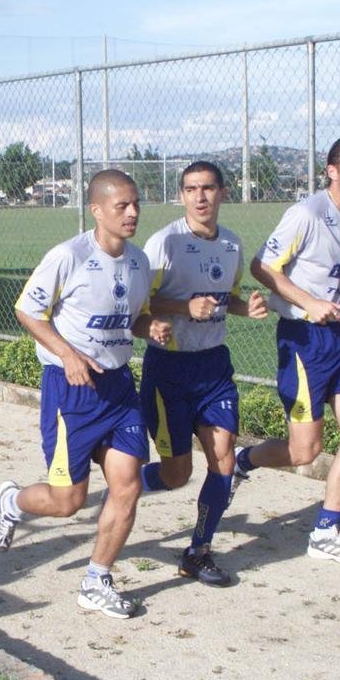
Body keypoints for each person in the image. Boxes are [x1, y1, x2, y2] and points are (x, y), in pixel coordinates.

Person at [0, 169, 151, 619]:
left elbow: (132, 318)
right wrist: (68, 355)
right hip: (71, 390)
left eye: (136, 204)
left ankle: (97, 580)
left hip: (119, 388)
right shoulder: (68, 256)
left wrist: (150, 326)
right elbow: (27, 310)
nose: (132, 212)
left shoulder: (139, 262)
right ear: (96, 210)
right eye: (122, 205)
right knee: (68, 501)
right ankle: (10, 502)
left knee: (128, 485)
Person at [234, 134, 340, 566]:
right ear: (332, 171)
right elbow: (262, 266)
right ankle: (243, 461)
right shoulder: (305, 214)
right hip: (304, 340)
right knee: (305, 451)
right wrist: (309, 303)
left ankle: (326, 530)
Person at [133, 161, 268, 587]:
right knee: (177, 474)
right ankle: (126, 485)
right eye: (191, 189)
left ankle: (198, 551)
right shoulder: (165, 243)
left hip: (213, 366)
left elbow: (227, 299)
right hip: (169, 369)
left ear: (222, 193)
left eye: (208, 188)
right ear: (181, 196)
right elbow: (138, 305)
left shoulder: (231, 244)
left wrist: (247, 307)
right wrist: (183, 307)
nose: (200, 197)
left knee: (223, 459)